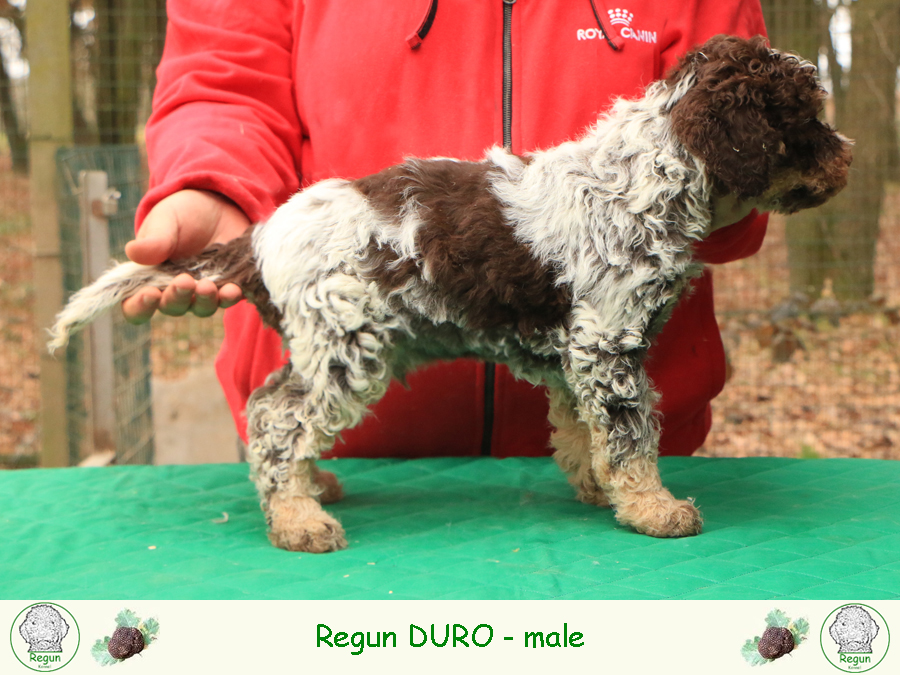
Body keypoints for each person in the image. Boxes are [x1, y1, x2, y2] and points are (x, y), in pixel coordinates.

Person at [123, 0, 769, 460]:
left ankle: (609, 459)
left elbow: (734, 111)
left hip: (635, 434)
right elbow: (224, 82)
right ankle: (291, 453)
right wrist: (211, 182)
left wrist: (734, 192)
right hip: (356, 448)